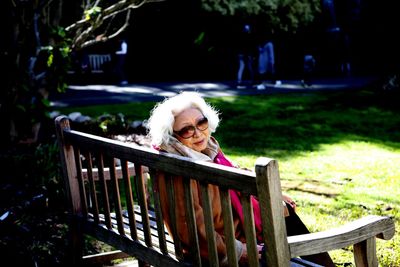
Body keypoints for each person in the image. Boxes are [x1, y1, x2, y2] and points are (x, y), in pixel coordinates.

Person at [146, 92, 335, 266]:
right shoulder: (176, 168)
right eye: (187, 129)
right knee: (283, 219)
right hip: (226, 245)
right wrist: (238, 251)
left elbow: (235, 173)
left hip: (236, 225)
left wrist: (271, 194)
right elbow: (190, 230)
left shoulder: (206, 149)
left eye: (201, 123)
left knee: (285, 212)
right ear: (173, 136)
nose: (197, 133)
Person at [236, 24, 257, 89]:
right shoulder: (249, 36)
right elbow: (248, 47)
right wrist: (250, 55)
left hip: (242, 54)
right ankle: (252, 82)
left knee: (242, 67)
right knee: (249, 68)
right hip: (246, 54)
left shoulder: (241, 36)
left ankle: (239, 82)